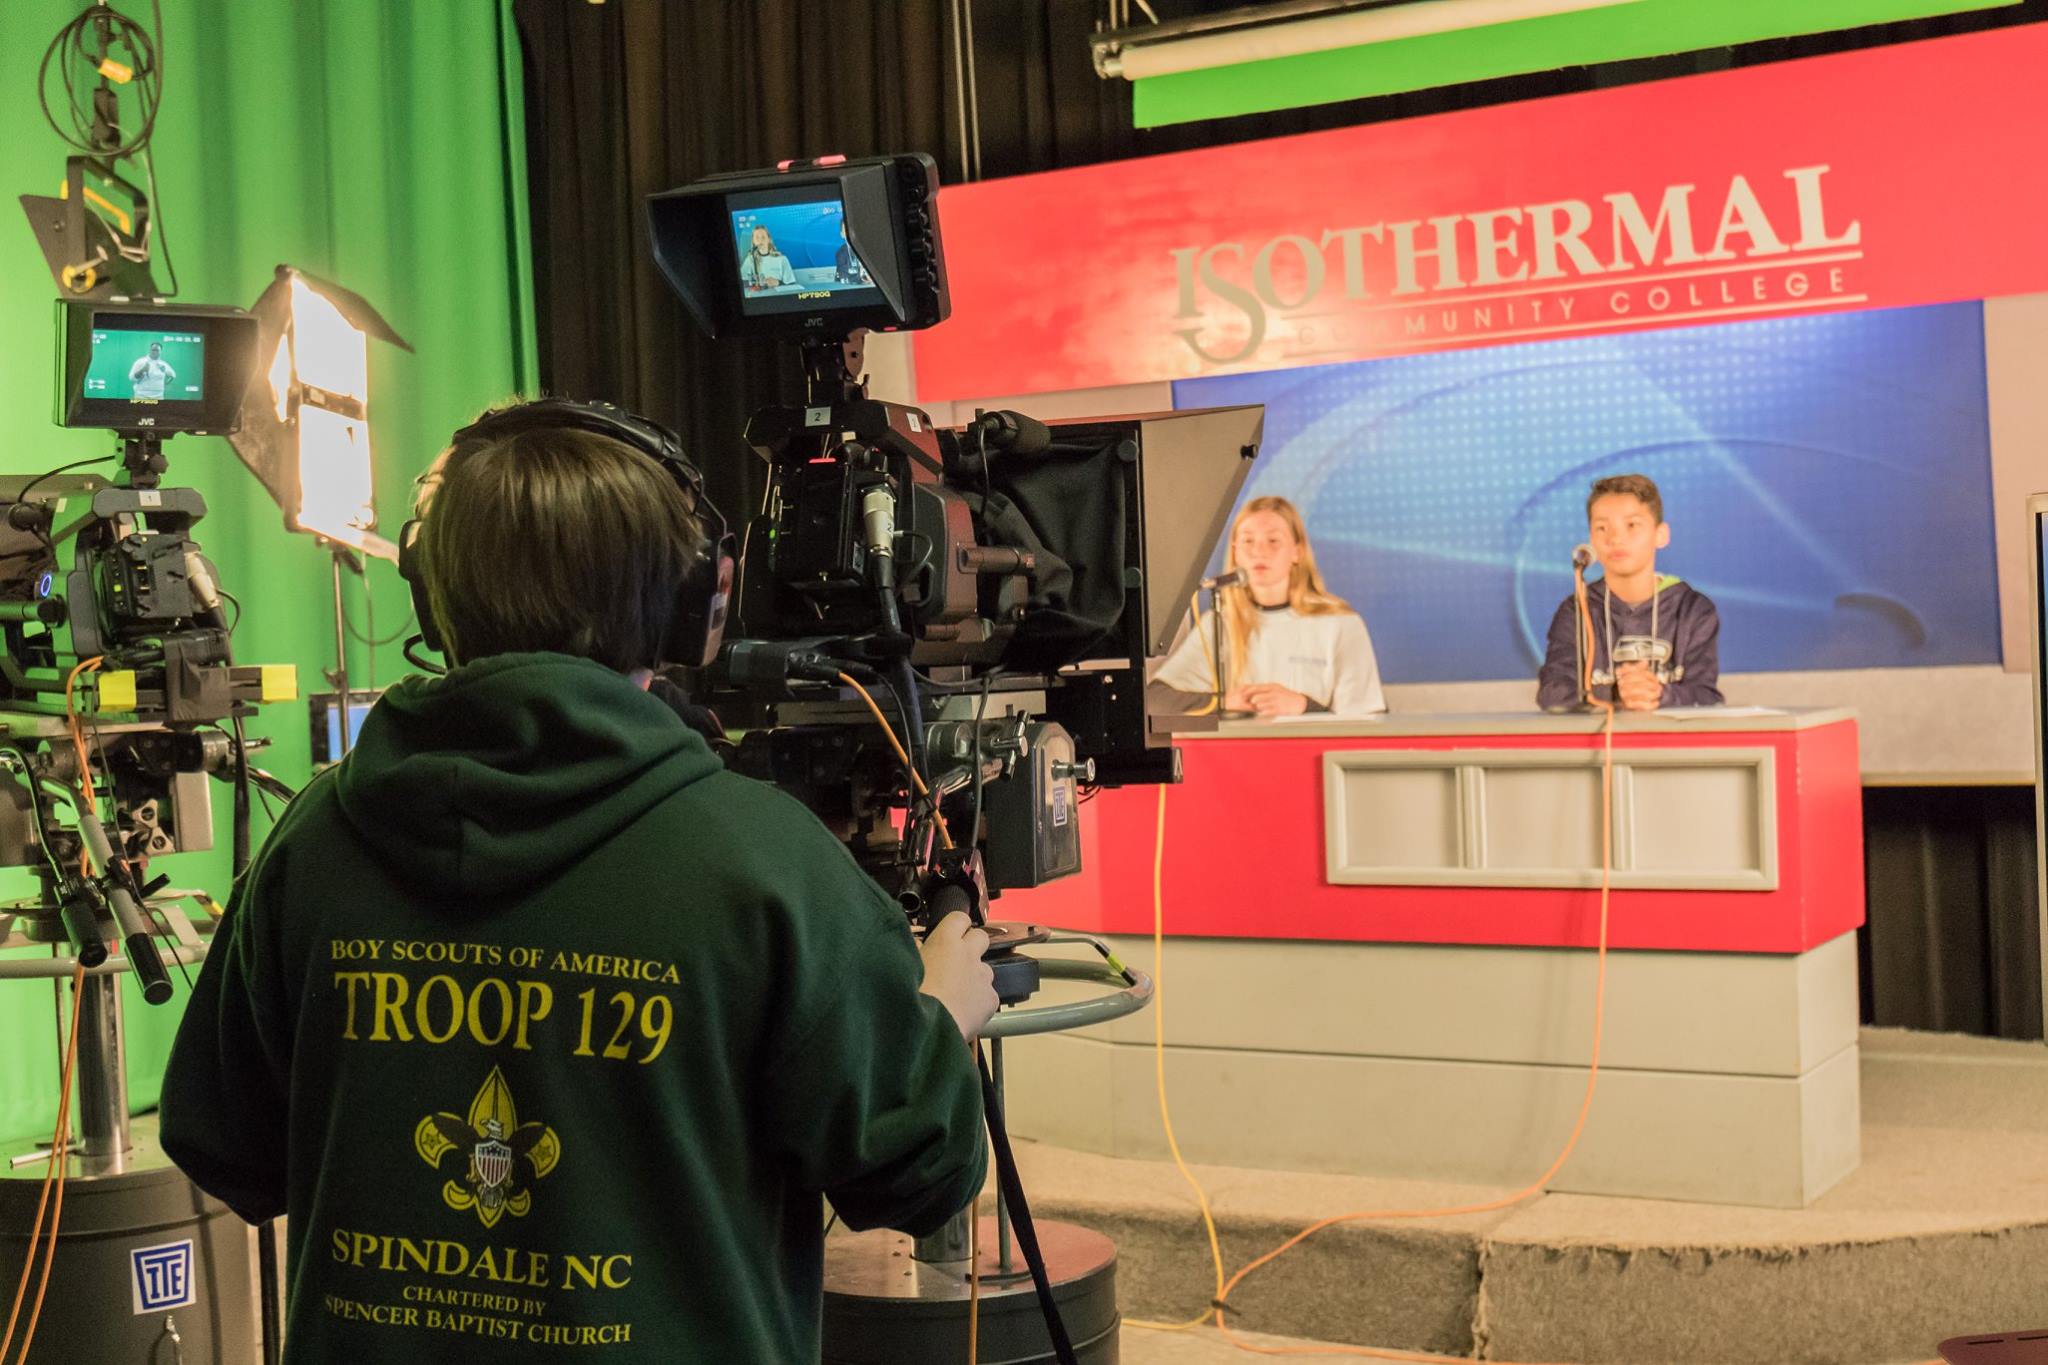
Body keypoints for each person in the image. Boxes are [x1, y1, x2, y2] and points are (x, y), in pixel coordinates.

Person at [159, 402, 996, 1364]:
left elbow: (225, 1146)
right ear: (692, 605)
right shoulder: (765, 863)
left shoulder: (314, 842)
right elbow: (917, 1172)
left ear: (431, 589)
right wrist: (941, 1013)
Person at [1150, 494, 1386, 717]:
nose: (1259, 552)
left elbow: (1366, 721)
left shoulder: (1340, 624)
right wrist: (1224, 702)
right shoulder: (1221, 622)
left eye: (1273, 541)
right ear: (1235, 552)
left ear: (1297, 551)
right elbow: (1156, 700)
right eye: (1248, 541)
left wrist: (1304, 706)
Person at [1536, 472, 1722, 711]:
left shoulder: (1692, 609)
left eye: (1632, 525)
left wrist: (1658, 694)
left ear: (1661, 535)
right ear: (1591, 538)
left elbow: (1706, 696)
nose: (1615, 538)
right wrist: (1618, 693)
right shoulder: (1577, 609)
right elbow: (1552, 693)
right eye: (1602, 528)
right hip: (1603, 745)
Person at [738, 224, 795, 291]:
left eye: (763, 237)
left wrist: (778, 282)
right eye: (757, 237)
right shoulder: (750, 259)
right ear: (753, 241)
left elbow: (791, 284)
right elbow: (742, 282)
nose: (760, 240)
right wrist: (757, 283)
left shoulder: (782, 259)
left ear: (769, 239)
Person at [834, 219, 868, 285]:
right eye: (845, 230)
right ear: (842, 234)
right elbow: (844, 278)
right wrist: (862, 277)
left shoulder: (867, 248)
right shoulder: (841, 253)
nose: (849, 232)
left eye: (851, 229)